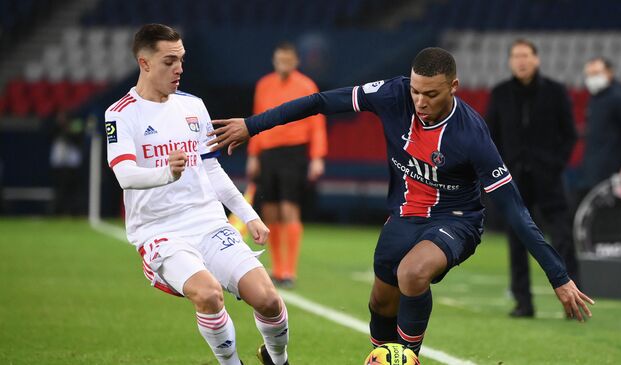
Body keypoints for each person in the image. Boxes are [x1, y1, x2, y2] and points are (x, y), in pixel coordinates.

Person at [208, 47, 594, 355]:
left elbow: (515, 210)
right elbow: (322, 102)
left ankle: (407, 357)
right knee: (380, 302)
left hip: (457, 218)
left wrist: (558, 277)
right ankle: (385, 354)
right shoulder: (392, 94)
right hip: (404, 215)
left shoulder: (472, 135)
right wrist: (252, 125)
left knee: (412, 274)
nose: (420, 101)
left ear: (454, 86)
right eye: (415, 90)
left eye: (431, 93)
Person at [105, 24, 289, 365]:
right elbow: (124, 175)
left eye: (182, 60)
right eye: (169, 61)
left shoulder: (193, 106)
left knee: (268, 300)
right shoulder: (120, 113)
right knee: (208, 294)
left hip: (208, 222)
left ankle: (278, 360)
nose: (179, 69)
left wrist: (249, 215)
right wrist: (167, 173)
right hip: (160, 231)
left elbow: (211, 170)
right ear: (144, 63)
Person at [485, 39, 579, 318]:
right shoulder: (500, 93)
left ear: (536, 59)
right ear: (510, 61)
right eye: (515, 56)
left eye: (525, 55)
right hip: (513, 180)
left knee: (562, 238)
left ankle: (572, 302)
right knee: (517, 242)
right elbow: (490, 136)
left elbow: (570, 135)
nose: (521, 61)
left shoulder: (555, 92)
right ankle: (523, 303)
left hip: (549, 178)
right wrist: (500, 168)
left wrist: (555, 165)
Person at [247, 42, 327, 288]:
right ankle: (278, 268)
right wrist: (253, 154)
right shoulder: (263, 85)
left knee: (288, 208)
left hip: (294, 153)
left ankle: (289, 271)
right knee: (269, 210)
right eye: (279, 60)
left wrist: (317, 157)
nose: (283, 64)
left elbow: (316, 124)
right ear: (274, 60)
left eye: (287, 60)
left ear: (295, 62)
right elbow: (257, 120)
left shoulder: (306, 86)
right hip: (268, 153)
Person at [578, 57, 621, 201]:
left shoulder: (617, 98)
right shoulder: (595, 98)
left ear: (609, 73)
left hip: (612, 174)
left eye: (596, 73)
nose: (591, 78)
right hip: (594, 172)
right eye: (589, 74)